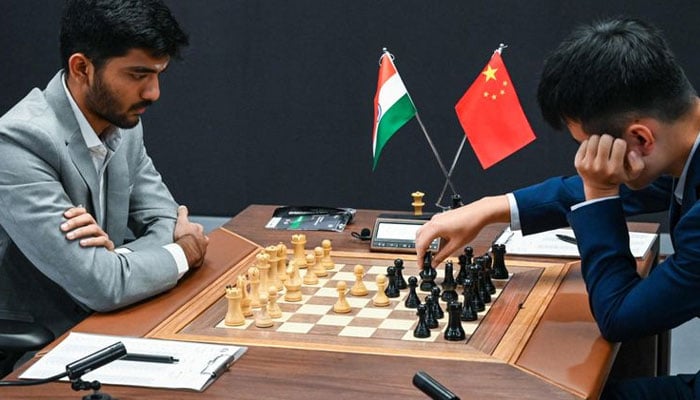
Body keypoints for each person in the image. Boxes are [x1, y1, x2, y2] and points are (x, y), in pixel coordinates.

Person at [415, 18, 700, 399]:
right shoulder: (682, 144)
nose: (587, 162)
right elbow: (582, 190)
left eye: (589, 148)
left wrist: (600, 190)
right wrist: (490, 207)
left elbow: (619, 316)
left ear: (639, 138)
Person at [0, 0, 209, 342]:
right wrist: (185, 251)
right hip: (48, 336)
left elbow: (167, 223)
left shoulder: (123, 124)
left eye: (158, 74)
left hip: (122, 312)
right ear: (82, 68)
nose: (153, 93)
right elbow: (102, 285)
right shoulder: (17, 141)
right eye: (137, 75)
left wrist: (116, 259)